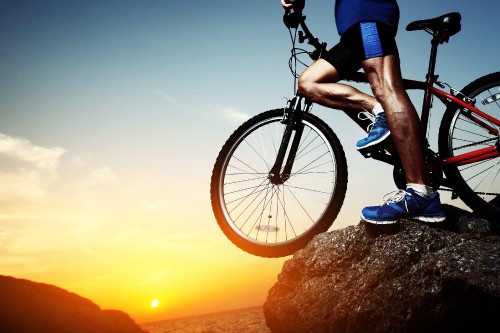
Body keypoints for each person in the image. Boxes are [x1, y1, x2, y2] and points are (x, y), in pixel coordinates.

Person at [280, 0, 446, 224]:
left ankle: (421, 193)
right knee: (309, 83)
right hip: (352, 29)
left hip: (367, 13)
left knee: (384, 86)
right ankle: (379, 111)